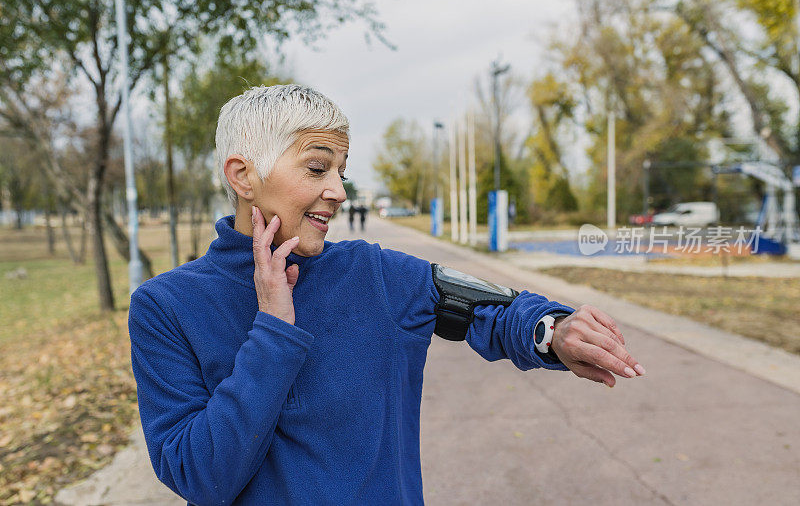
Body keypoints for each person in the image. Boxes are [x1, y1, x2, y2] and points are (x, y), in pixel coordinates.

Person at [129, 85, 645, 505]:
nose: (339, 191)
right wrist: (272, 330)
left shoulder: (374, 274)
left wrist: (552, 330)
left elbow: (492, 308)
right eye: (317, 167)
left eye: (341, 171)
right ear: (243, 175)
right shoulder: (165, 307)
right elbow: (200, 479)